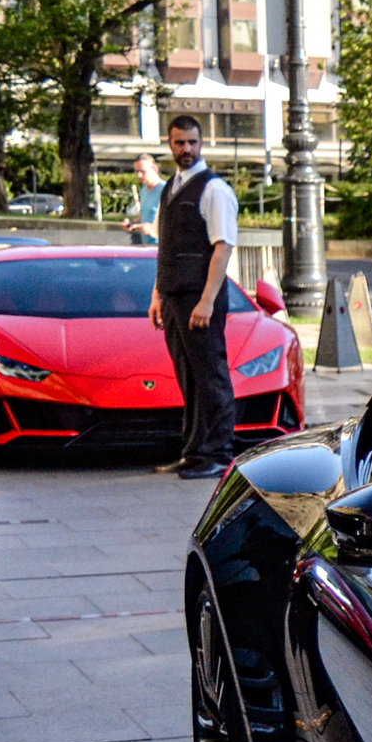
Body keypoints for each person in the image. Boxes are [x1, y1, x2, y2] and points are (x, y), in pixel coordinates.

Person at [147, 116, 239, 479]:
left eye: (192, 143)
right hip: (173, 297)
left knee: (210, 375)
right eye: (179, 143)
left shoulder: (214, 189)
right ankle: (193, 452)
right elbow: (166, 248)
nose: (186, 149)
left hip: (200, 299)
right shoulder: (171, 187)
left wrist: (206, 301)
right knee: (188, 376)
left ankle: (217, 454)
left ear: (201, 143)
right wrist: (157, 294)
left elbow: (223, 248)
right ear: (169, 144)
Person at [121, 153, 162, 245]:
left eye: (143, 171)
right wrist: (132, 224)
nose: (139, 175)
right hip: (146, 247)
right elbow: (142, 217)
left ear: (155, 169)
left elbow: (174, 223)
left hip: (162, 247)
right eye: (137, 172)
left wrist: (152, 229)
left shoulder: (166, 190)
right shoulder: (143, 191)